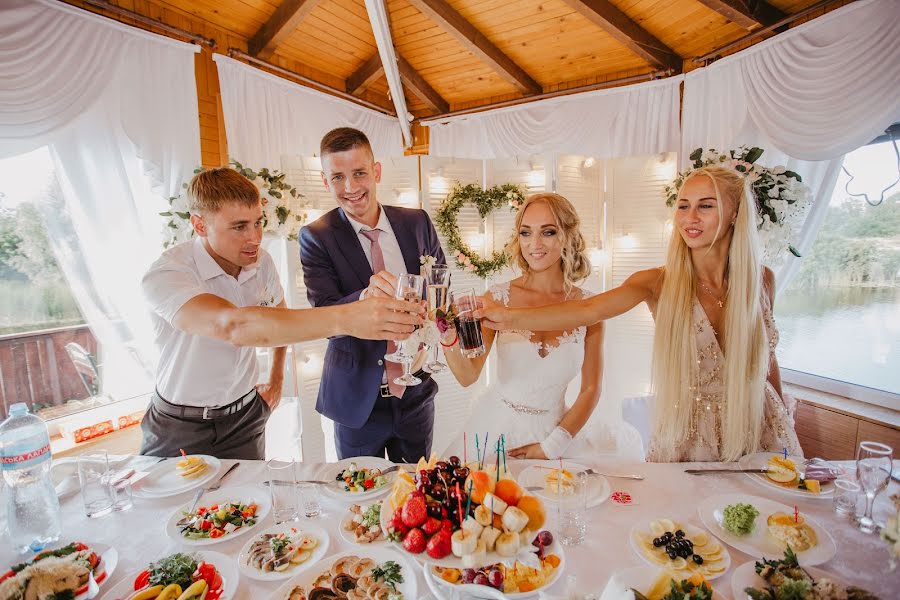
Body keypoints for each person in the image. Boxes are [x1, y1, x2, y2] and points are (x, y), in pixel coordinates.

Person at [476, 166, 802, 462]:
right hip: (691, 434)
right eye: (683, 206)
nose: (690, 217)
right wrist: (506, 317)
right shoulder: (658, 282)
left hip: (758, 422)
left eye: (706, 205)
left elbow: (766, 358)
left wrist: (783, 411)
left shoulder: (763, 280)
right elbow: (588, 310)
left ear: (734, 213)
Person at [141, 167, 423, 459]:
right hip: (180, 425)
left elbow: (278, 314)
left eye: (258, 223)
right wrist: (348, 317)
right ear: (200, 225)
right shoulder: (169, 273)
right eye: (239, 227)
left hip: (245, 418)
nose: (255, 238)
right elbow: (234, 327)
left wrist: (276, 379)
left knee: (250, 504)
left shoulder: (260, 263)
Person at [443, 193, 640, 461]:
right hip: (495, 430)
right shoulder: (498, 298)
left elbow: (591, 389)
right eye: (526, 233)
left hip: (558, 434)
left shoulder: (590, 307)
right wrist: (447, 335)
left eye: (547, 232)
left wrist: (552, 446)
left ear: (568, 236)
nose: (534, 244)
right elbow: (468, 375)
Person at [300, 127, 446, 461]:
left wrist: (434, 310)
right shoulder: (315, 237)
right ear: (325, 181)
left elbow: (441, 283)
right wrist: (364, 298)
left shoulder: (417, 221)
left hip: (415, 394)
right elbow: (324, 315)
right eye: (337, 177)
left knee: (416, 495)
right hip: (356, 402)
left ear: (376, 171)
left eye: (359, 173)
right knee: (359, 502)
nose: (350, 188)